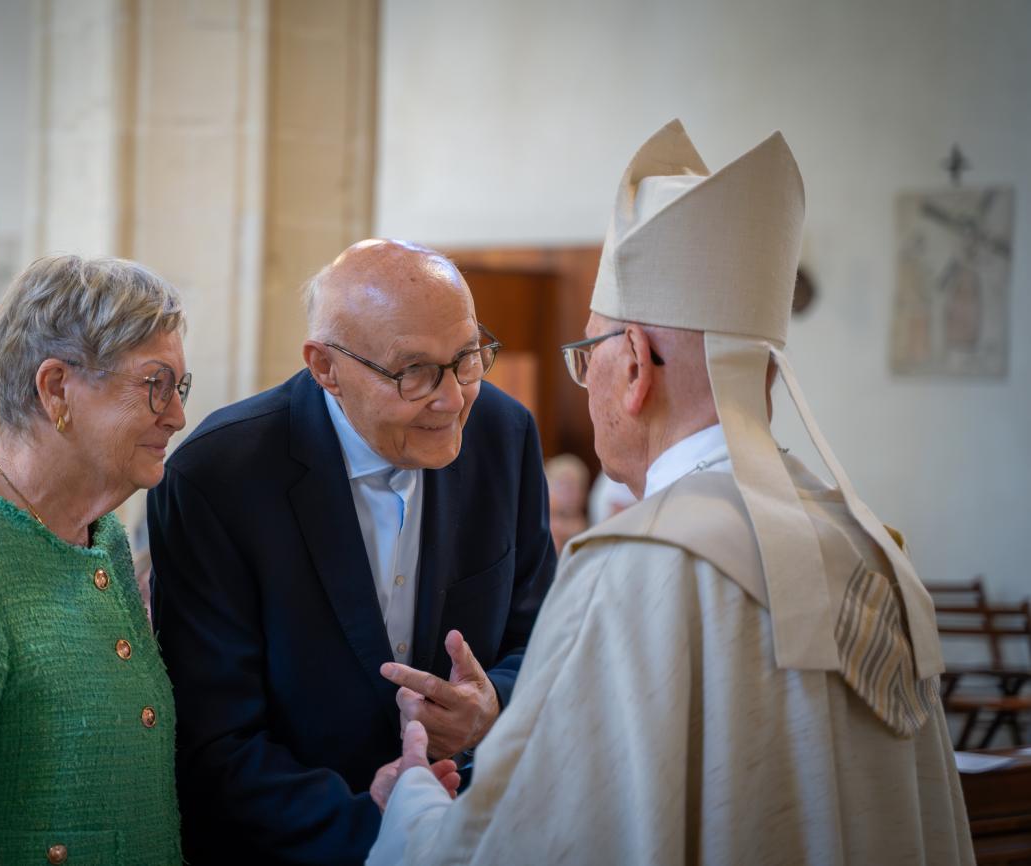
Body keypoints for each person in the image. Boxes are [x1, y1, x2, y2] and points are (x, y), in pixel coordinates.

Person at [367, 121, 974, 865]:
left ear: (633, 369)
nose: (587, 387)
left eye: (587, 356)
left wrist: (415, 809)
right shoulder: (862, 542)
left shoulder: (636, 567)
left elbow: (529, 846)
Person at [148, 239, 556, 865]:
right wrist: (382, 830)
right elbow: (214, 740)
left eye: (468, 357)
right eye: (413, 371)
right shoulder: (219, 476)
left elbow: (542, 636)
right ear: (325, 368)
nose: (452, 399)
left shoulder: (504, 433)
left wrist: (491, 704)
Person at [0, 255, 190, 865]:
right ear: (55, 389)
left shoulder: (98, 537)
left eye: (179, 388)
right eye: (154, 385)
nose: (176, 415)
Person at [542, 453, 589, 552]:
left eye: (578, 487)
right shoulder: (541, 519)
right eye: (563, 485)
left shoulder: (582, 526)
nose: (571, 494)